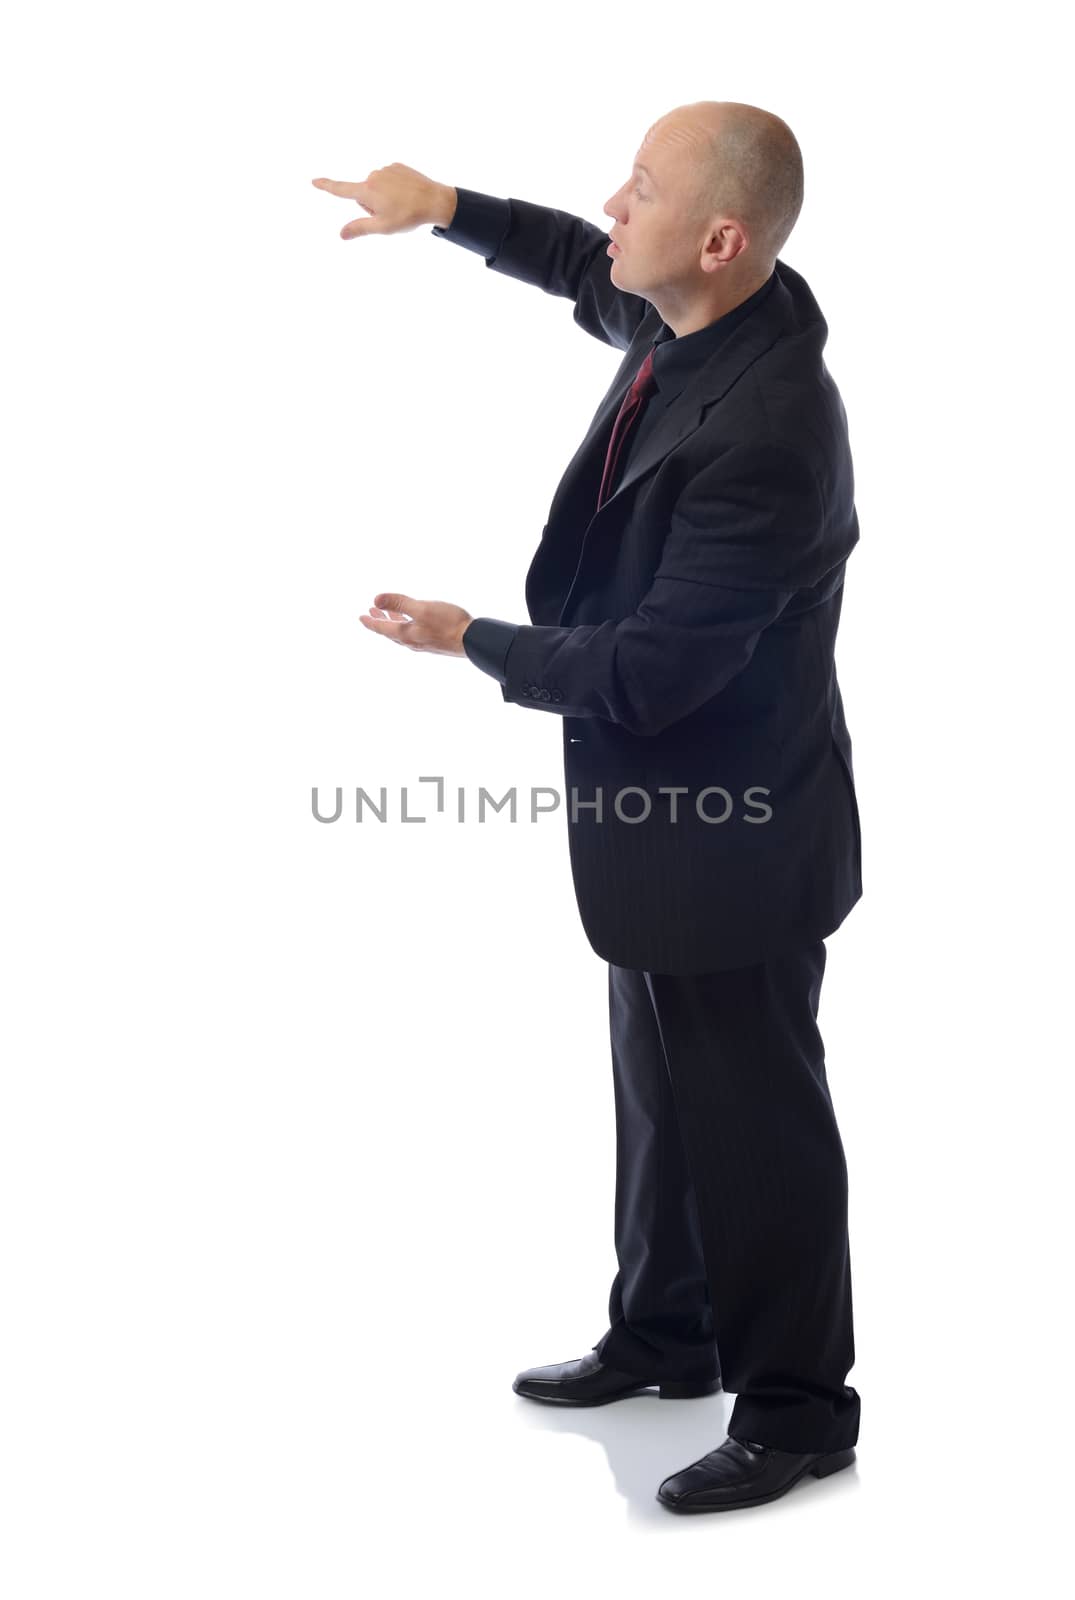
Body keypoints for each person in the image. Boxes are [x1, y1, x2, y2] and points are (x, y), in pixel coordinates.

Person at [313, 100, 864, 1514]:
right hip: (660, 832)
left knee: (755, 1120)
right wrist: (444, 204)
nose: (612, 207)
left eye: (637, 190)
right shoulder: (705, 320)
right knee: (662, 1093)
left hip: (736, 833)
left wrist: (468, 641)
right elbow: (584, 268)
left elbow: (656, 671)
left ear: (722, 237)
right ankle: (668, 1331)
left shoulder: (770, 429)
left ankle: (800, 1410)